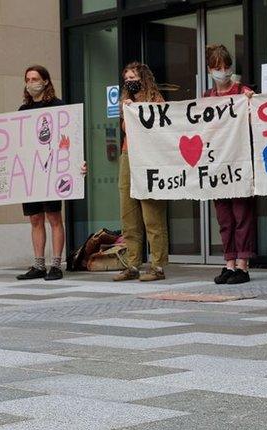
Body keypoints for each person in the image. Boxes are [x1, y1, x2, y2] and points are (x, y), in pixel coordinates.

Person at [13, 65, 85, 281]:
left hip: (52, 170)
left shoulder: (58, 107)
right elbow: (16, 145)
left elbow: (70, 138)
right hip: (32, 172)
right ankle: (38, 265)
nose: (31, 82)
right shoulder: (23, 111)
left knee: (54, 217)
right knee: (35, 218)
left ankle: (55, 264)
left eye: (35, 78)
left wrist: (76, 164)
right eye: (27, 78)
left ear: (45, 81)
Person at [113, 62, 170, 282]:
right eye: (126, 79)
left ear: (143, 78)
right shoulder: (126, 103)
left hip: (150, 157)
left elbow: (160, 127)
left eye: (133, 77)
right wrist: (128, 109)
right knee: (128, 212)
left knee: (151, 213)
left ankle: (157, 265)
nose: (130, 82)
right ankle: (132, 263)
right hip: (128, 155)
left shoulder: (156, 100)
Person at [204, 44, 256, 285]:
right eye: (217, 68)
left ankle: (243, 265)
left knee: (241, 213)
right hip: (217, 165)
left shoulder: (241, 92)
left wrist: (249, 102)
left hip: (238, 162)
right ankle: (229, 263)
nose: (222, 72)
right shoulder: (206, 98)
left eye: (225, 67)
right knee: (224, 217)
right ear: (209, 69)